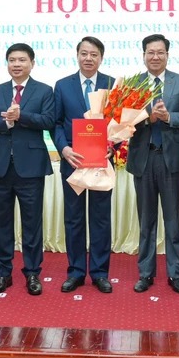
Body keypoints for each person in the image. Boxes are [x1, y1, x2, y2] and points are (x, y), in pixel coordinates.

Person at [0, 43, 55, 296]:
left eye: (22, 60)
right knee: (1, 222)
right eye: (12, 60)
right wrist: (6, 122)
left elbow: (48, 120)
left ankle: (33, 272)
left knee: (32, 222)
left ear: (32, 63)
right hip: (2, 166)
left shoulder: (45, 91)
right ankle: (3, 272)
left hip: (31, 168)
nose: (16, 64)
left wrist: (21, 115)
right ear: (7, 63)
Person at [127, 34, 179, 294]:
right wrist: (149, 119)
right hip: (143, 158)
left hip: (171, 160)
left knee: (173, 221)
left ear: (167, 55)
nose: (155, 57)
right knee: (146, 221)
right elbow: (124, 120)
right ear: (143, 55)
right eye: (150, 52)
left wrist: (168, 117)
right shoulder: (133, 84)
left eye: (160, 52)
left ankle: (175, 274)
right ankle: (145, 273)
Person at [53, 36, 116, 294]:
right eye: (84, 53)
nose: (88, 58)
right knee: (74, 219)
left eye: (94, 54)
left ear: (101, 58)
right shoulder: (62, 85)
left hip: (101, 163)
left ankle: (100, 273)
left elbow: (121, 123)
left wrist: (115, 145)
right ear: (77, 55)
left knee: (101, 219)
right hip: (73, 162)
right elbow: (56, 123)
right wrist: (64, 149)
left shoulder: (112, 84)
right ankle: (76, 272)